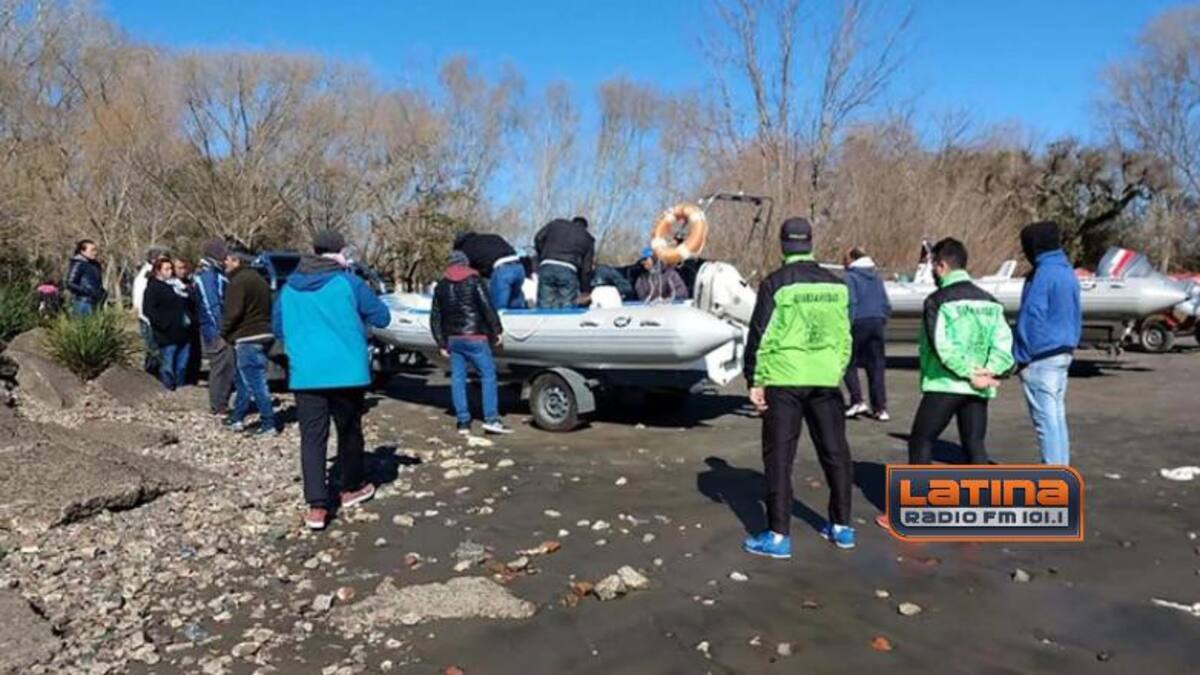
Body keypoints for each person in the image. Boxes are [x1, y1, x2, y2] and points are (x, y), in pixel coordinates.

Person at [742, 218, 855, 559]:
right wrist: (836, 368)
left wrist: (754, 379)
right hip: (824, 378)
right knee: (835, 452)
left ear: (782, 244)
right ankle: (842, 527)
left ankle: (778, 536)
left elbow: (760, 334)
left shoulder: (775, 283)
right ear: (810, 243)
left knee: (779, 457)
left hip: (784, 379)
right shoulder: (837, 285)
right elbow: (844, 336)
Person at [274, 230, 391, 531]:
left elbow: (277, 328)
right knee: (349, 431)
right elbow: (382, 317)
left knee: (312, 438)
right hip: (347, 371)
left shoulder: (288, 289)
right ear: (341, 250)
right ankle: (351, 488)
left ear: (313, 250)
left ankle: (316, 506)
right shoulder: (348, 282)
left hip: (306, 373)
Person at [909, 237, 1015, 466]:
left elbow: (941, 347)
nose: (932, 274)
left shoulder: (937, 301)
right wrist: (988, 371)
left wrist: (969, 373)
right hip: (979, 384)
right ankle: (982, 500)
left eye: (933, 268)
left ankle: (920, 500)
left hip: (945, 383)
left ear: (942, 266)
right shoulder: (991, 302)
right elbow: (1004, 346)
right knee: (974, 444)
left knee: (921, 441)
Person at [1014, 221, 1081, 465]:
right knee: (1056, 419)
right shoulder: (1066, 271)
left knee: (1046, 423)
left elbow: (1031, 316)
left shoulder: (1043, 274)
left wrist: (1019, 357)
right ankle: (1061, 471)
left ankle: (1053, 480)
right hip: (1064, 352)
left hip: (1041, 357)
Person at [430, 250, 511, 436]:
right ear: (466, 263)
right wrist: (497, 330)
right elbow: (487, 307)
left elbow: (435, 317)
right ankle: (491, 419)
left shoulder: (441, 286)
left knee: (458, 379)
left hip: (454, 339)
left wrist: (441, 342)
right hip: (476, 337)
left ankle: (463, 422)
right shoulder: (475, 280)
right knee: (488, 375)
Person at [221, 247, 278, 436]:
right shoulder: (260, 281)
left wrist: (223, 331)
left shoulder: (238, 282)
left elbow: (233, 312)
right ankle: (237, 417)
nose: (225, 263)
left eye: (227, 259)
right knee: (245, 380)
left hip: (248, 336)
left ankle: (268, 422)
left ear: (237, 261)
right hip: (264, 334)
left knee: (255, 382)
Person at [842, 247, 892, 421]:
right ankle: (880, 407)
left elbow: (852, 301)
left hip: (858, 322)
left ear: (852, 260)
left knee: (848, 361)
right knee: (876, 365)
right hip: (877, 321)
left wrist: (847, 324)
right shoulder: (876, 278)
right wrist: (883, 318)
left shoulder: (850, 277)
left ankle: (857, 399)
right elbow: (886, 302)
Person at [195, 240, 235, 416]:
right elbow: (211, 304)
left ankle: (222, 402)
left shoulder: (217, 273)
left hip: (220, 328)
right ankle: (218, 404)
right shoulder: (207, 275)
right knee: (220, 367)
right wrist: (221, 329)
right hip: (214, 330)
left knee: (228, 366)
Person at [142, 258, 192, 391]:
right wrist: (164, 324)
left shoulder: (176, 285)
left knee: (182, 364)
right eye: (167, 269)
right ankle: (168, 388)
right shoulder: (153, 288)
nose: (170, 272)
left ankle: (181, 387)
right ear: (158, 271)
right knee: (167, 365)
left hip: (183, 332)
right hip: (167, 334)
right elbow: (148, 310)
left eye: (171, 269)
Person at [454, 231, 527, 309]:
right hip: (519, 267)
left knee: (498, 309)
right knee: (516, 308)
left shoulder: (466, 247)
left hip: (502, 269)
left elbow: (468, 271)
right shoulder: (492, 237)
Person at [534, 216, 595, 308]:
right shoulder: (588, 238)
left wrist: (543, 255)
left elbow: (538, 238)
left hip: (547, 265)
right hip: (568, 269)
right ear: (585, 228)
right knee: (567, 307)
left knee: (544, 305)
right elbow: (586, 269)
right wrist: (585, 289)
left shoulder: (556, 224)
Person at [133, 246, 170, 375]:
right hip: (148, 319)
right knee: (152, 349)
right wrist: (149, 319)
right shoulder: (145, 277)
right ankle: (150, 375)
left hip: (154, 318)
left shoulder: (155, 274)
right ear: (154, 259)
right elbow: (140, 300)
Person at [66, 239, 106, 316]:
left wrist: (102, 292)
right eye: (92, 250)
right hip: (83, 303)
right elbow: (70, 283)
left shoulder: (95, 265)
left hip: (95, 302)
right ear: (82, 251)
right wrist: (87, 291)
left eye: (95, 250)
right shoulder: (78, 264)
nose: (95, 253)